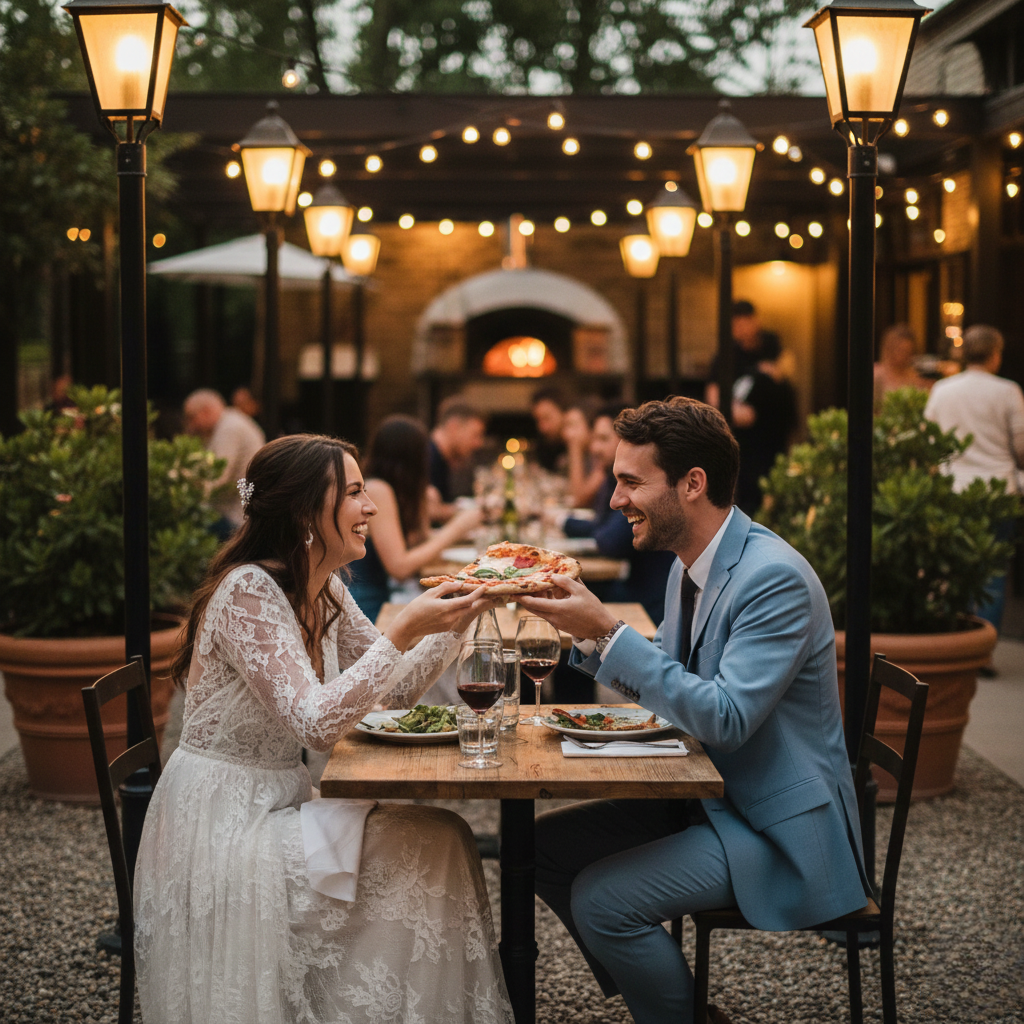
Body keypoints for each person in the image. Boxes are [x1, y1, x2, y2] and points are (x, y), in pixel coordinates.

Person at [134, 433, 513, 1024]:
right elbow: (315, 723)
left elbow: (398, 688)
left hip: (280, 805)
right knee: (432, 844)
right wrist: (403, 627)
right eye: (356, 493)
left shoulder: (325, 586)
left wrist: (456, 613)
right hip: (223, 829)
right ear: (308, 510)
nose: (372, 508)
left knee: (446, 837)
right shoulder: (248, 591)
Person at [516, 396, 871, 1024]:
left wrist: (607, 632)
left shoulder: (772, 577)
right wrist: (590, 637)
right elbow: (678, 669)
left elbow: (725, 717)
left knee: (602, 901)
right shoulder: (693, 566)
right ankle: (668, 1000)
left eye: (630, 482)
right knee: (538, 848)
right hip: (707, 798)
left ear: (693, 484)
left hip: (773, 827)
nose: (614, 500)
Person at [925, 324, 1024, 637]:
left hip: (955, 489)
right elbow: (1022, 446)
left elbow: (929, 441)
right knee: (993, 569)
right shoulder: (1008, 391)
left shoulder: (943, 389)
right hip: (998, 490)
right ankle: (985, 646)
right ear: (995, 355)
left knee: (954, 567)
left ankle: (957, 634)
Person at [348, 414, 483, 623]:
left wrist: (420, 500)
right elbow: (400, 568)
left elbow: (415, 541)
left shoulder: (390, 488)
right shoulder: (377, 489)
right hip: (367, 606)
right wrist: (456, 529)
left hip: (384, 597)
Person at [562, 402, 674, 623]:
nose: (594, 448)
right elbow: (601, 527)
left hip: (650, 608)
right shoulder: (612, 479)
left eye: (603, 439)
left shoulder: (645, 485)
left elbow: (610, 540)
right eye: (594, 439)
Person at [705, 302, 797, 516]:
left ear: (755, 321)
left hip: (773, 434)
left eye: (744, 323)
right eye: (736, 325)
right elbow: (713, 393)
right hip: (743, 438)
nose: (741, 329)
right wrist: (732, 411)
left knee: (773, 492)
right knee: (745, 491)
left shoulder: (774, 347)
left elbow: (787, 379)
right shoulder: (727, 355)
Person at [183, 388, 266, 537]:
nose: (191, 425)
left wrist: (183, 493)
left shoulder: (229, 429)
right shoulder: (227, 423)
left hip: (236, 518)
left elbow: (217, 476)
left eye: (191, 417)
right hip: (237, 512)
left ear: (206, 411)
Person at [427, 397, 487, 522]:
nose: (479, 443)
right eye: (475, 435)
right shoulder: (426, 458)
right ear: (453, 427)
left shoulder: (442, 459)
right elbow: (430, 511)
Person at [561, 399, 608, 509]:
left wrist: (574, 450)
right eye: (565, 426)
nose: (566, 433)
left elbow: (579, 499)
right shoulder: (587, 455)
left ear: (591, 426)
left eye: (572, 425)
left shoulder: (602, 455)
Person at [874, 324, 930, 411]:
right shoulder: (876, 375)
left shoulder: (913, 376)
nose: (905, 356)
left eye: (909, 351)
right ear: (889, 349)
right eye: (901, 350)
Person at [530, 386, 568, 473]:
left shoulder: (579, 444)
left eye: (547, 418)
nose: (542, 427)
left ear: (564, 412)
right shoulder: (545, 442)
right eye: (538, 420)